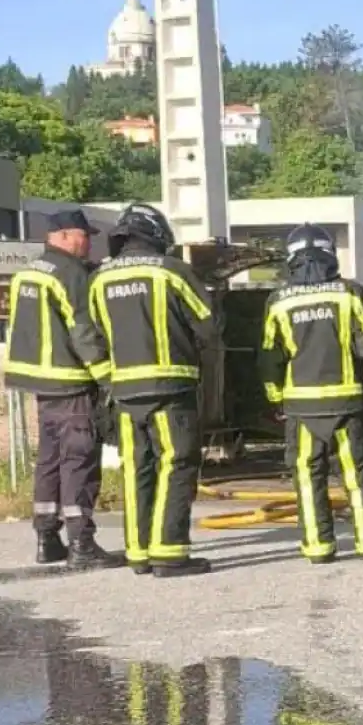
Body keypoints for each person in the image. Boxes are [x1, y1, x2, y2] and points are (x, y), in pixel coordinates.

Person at [260, 224, 363, 564]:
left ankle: (318, 548)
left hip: (302, 409)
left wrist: (275, 399)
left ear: (291, 258)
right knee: (358, 475)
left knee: (308, 477)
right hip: (346, 405)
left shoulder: (278, 302)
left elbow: (269, 357)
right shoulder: (349, 294)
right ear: (329, 254)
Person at [89, 202, 218, 577]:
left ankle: (139, 552)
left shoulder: (99, 279)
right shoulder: (173, 272)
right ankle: (169, 553)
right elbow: (209, 324)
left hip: (124, 394)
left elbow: (90, 334)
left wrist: (109, 380)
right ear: (157, 235)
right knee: (176, 464)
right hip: (170, 389)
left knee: (137, 468)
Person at [3, 209, 119, 569]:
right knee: (79, 461)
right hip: (70, 381)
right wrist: (107, 378)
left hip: (37, 382)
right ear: (66, 236)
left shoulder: (27, 272)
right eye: (85, 235)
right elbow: (82, 331)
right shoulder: (70, 274)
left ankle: (46, 538)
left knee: (50, 461)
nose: (88, 243)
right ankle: (82, 543)